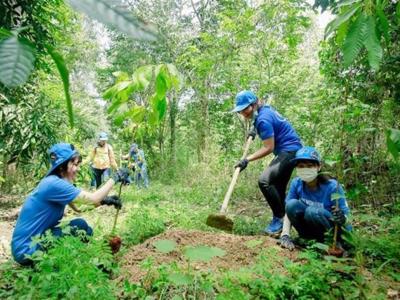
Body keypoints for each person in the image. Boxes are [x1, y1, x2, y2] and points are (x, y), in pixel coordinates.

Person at [11, 143, 129, 266]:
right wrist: (116, 177)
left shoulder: (56, 183)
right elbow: (93, 198)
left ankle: (91, 259)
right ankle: (92, 262)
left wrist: (104, 200)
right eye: (74, 164)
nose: (78, 169)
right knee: (80, 225)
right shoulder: (53, 184)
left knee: (85, 230)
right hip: (27, 249)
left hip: (32, 244)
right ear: (62, 166)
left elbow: (79, 209)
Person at [232, 90, 302, 236]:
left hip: (289, 151)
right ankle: (283, 226)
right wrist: (254, 129)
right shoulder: (264, 111)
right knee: (277, 187)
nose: (243, 113)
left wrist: (247, 160)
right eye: (240, 110)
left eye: (245, 108)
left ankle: (280, 218)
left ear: (254, 104)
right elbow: (263, 117)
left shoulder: (263, 119)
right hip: (292, 149)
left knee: (265, 181)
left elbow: (268, 147)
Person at [278, 146, 351, 251]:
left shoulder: (332, 186)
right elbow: (289, 209)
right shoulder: (296, 183)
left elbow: (346, 214)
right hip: (309, 229)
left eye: (310, 165)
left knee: (312, 211)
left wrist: (344, 225)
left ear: (319, 167)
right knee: (292, 204)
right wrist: (285, 234)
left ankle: (332, 243)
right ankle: (307, 240)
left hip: (330, 230)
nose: (305, 169)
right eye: (301, 166)